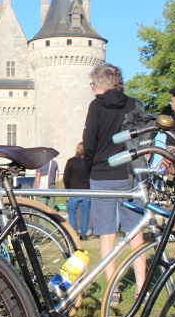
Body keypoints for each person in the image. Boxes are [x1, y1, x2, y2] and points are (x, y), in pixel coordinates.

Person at [83, 63, 146, 286]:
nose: (92, 89)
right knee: (135, 232)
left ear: (100, 85)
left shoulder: (96, 106)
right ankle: (141, 287)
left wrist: (88, 167)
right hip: (130, 174)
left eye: (92, 85)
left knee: (107, 235)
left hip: (102, 174)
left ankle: (113, 288)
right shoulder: (134, 104)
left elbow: (89, 141)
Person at [62, 142, 91, 240]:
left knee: (71, 211)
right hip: (86, 190)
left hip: (73, 189)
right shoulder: (89, 162)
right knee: (85, 213)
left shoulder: (70, 161)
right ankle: (83, 234)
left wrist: (67, 190)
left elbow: (66, 177)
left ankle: (74, 230)